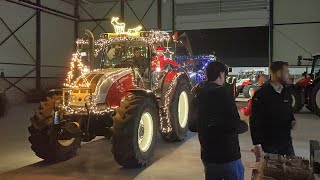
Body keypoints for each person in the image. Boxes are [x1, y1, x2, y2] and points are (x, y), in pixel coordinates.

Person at [189, 61, 244, 180]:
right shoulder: (224, 93)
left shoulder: (197, 94)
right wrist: (243, 126)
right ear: (221, 74)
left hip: (208, 156)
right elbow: (234, 124)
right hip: (228, 155)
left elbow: (192, 126)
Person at [250, 61, 296, 161]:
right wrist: (257, 144)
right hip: (268, 146)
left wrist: (292, 120)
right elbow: (254, 120)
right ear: (278, 73)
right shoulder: (261, 94)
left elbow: (289, 112)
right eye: (286, 72)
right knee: (270, 175)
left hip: (286, 144)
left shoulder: (286, 92)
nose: (289, 75)